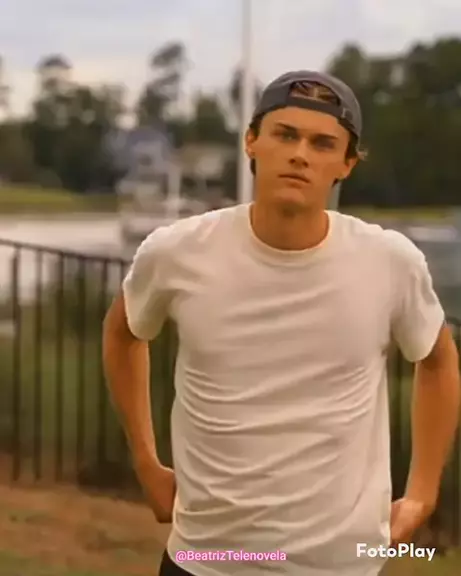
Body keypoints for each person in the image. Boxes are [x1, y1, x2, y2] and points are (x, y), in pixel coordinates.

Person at [102, 70, 460, 576]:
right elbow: (122, 332)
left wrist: (422, 492)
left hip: (340, 564)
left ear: (346, 163)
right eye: (285, 135)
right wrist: (145, 460)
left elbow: (439, 361)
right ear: (252, 141)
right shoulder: (177, 252)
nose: (300, 155)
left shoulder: (389, 262)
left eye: (322, 143)